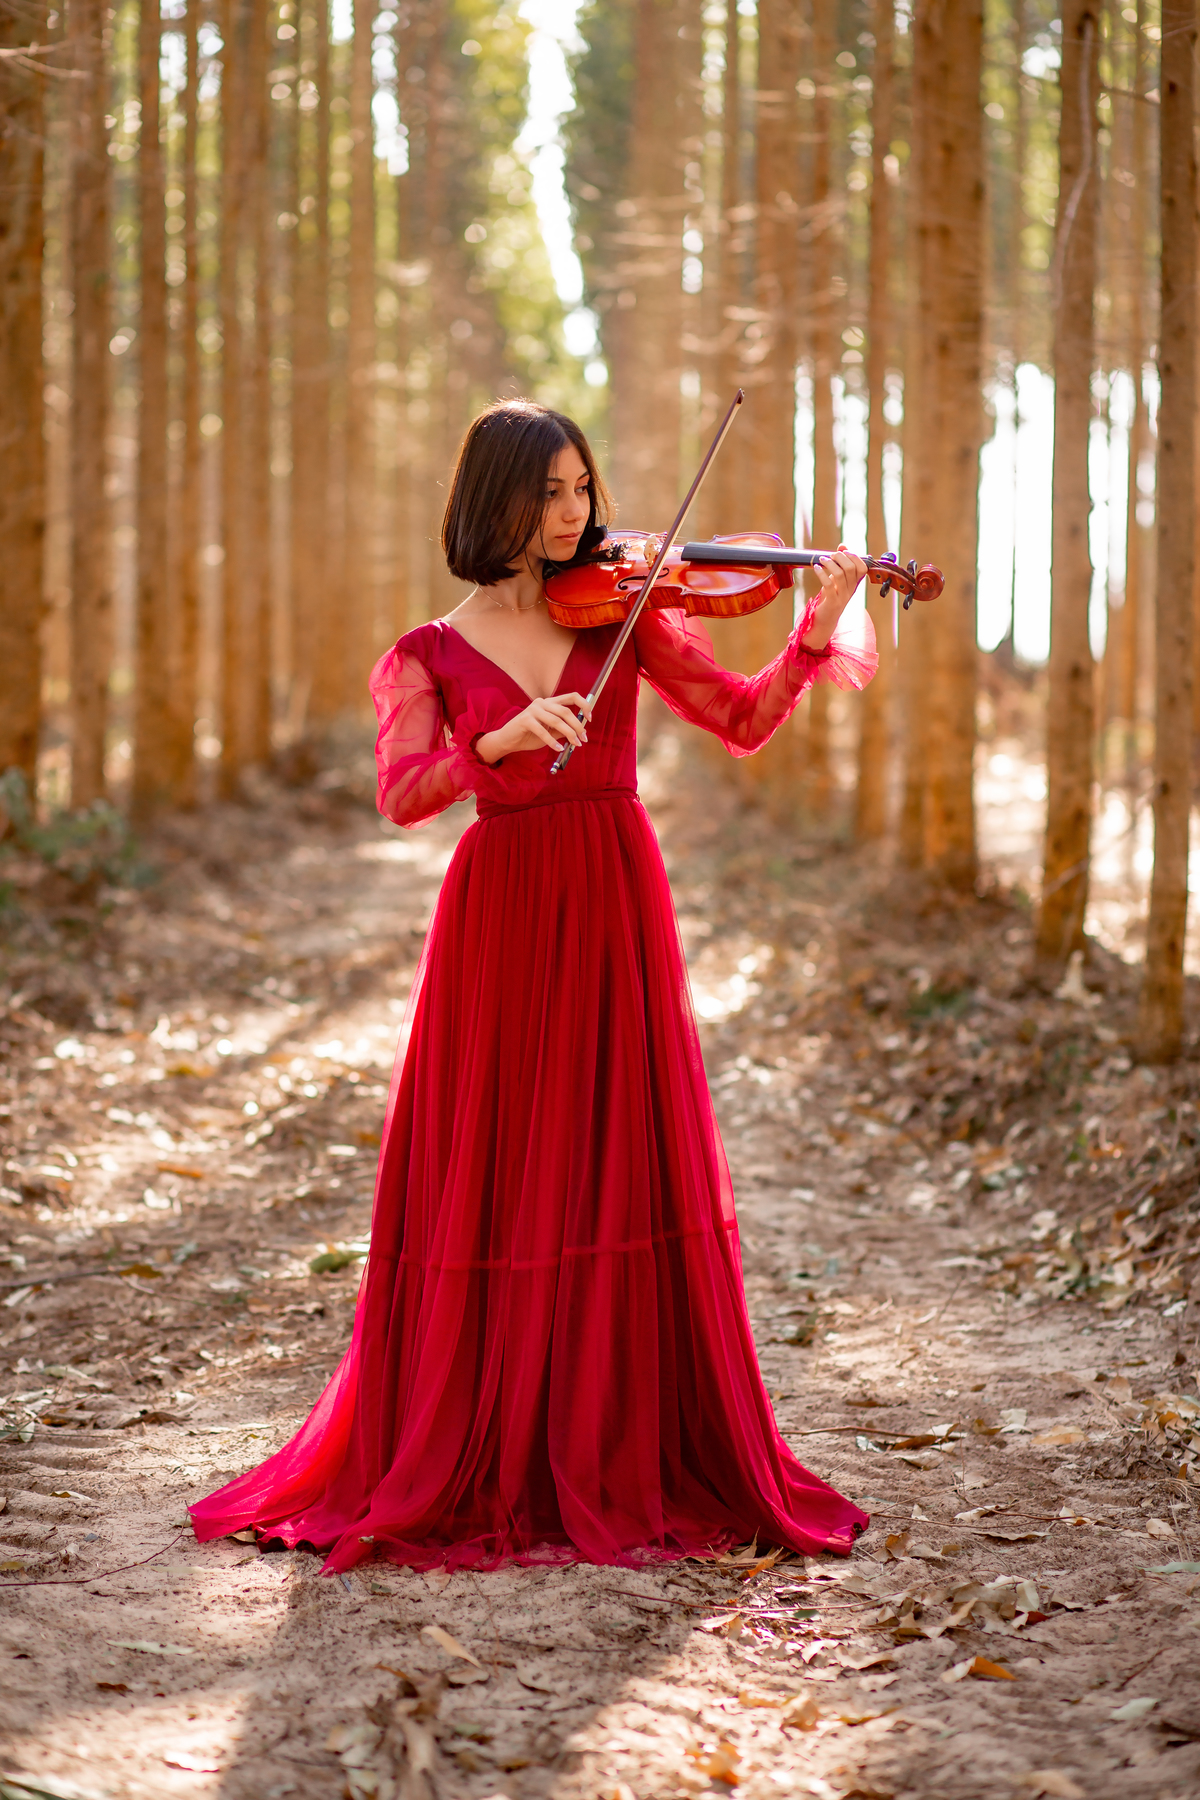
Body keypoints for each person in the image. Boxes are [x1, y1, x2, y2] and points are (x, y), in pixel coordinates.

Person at [190, 399, 877, 1573]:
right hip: (499, 908)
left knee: (611, 1148)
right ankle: (489, 1430)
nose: (575, 511)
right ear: (493, 498)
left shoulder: (624, 609)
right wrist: (495, 748)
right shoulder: (426, 653)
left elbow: (740, 719)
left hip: (611, 889)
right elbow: (403, 794)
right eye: (550, 490)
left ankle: (610, 1429)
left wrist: (812, 633)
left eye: (583, 488)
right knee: (501, 1155)